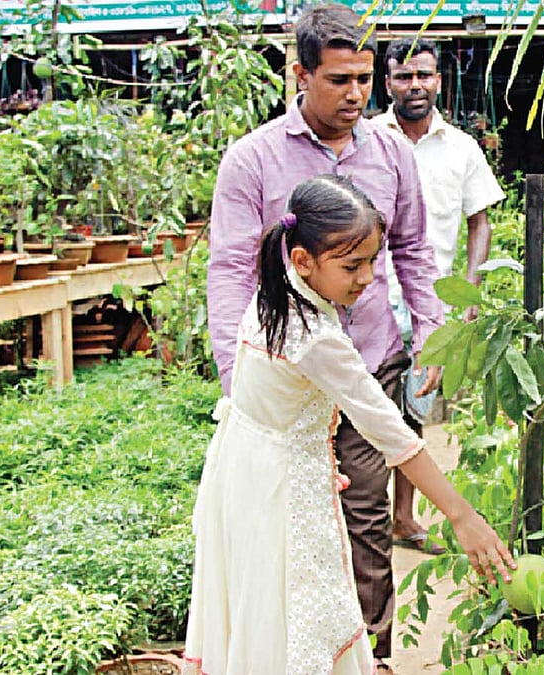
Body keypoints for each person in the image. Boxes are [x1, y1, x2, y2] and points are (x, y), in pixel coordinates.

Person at [185, 176, 513, 675]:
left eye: (372, 261)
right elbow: (392, 433)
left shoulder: (274, 295)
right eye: (352, 265)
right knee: (300, 617)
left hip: (245, 472)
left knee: (270, 611)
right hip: (279, 491)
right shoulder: (314, 336)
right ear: (303, 260)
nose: (366, 277)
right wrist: (461, 515)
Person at [205, 6, 445, 671]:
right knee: (286, 537)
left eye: (365, 78)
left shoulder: (392, 149)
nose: (355, 95)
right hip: (287, 398)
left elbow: (416, 249)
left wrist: (430, 334)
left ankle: (374, 658)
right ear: (300, 74)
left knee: (368, 529)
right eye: (338, 79)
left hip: (368, 363)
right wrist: (240, 381)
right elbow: (229, 268)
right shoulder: (253, 159)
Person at [374, 37, 507, 556]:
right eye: (404, 77)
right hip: (364, 296)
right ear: (388, 84)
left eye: (423, 76)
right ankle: (357, 513)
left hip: (429, 304)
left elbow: (481, 222)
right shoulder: (368, 139)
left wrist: (469, 289)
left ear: (438, 81)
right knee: (356, 407)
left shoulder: (461, 148)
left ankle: (403, 518)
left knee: (415, 407)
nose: (415, 85)